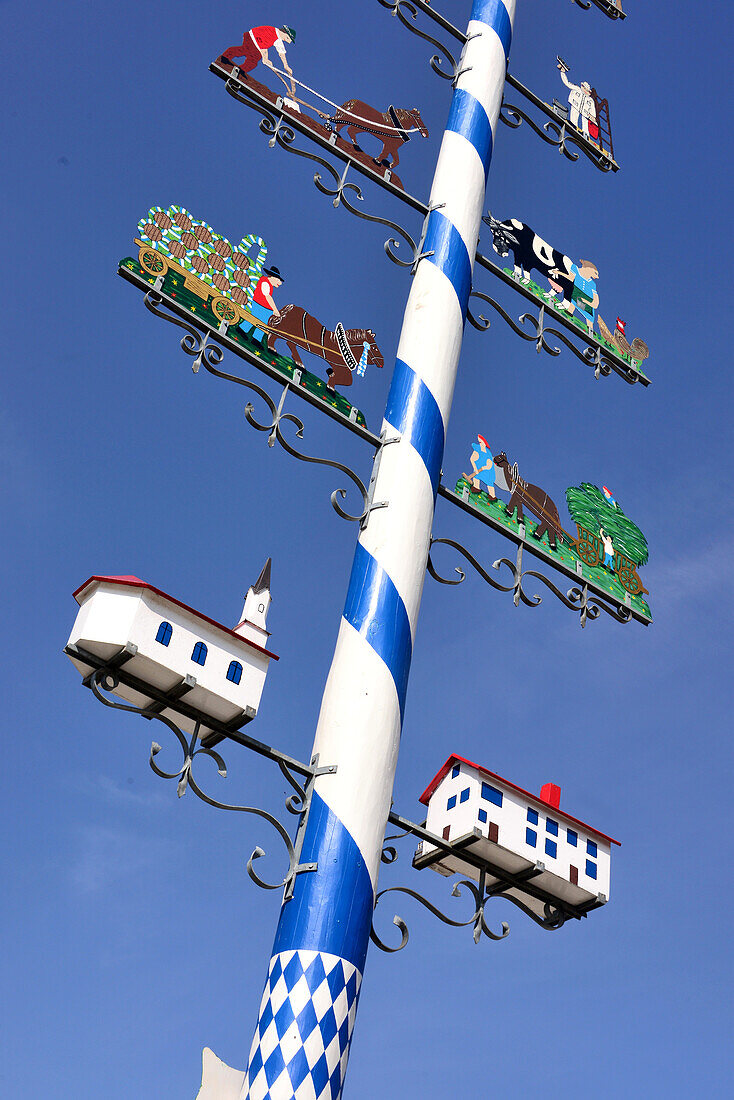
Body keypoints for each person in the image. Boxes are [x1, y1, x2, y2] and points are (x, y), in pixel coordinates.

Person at [222, 25, 296, 78]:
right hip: (252, 38)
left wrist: (286, 66)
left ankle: (240, 71)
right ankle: (225, 57)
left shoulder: (278, 38)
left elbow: (281, 52)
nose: (287, 41)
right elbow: (263, 45)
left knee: (252, 60)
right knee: (245, 51)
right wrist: (265, 58)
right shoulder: (272, 31)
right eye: (288, 38)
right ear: (285, 33)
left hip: (257, 44)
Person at [246, 266, 284, 347]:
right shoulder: (265, 282)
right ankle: (254, 338)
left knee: (259, 320)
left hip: (264, 307)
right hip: (260, 305)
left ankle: (247, 332)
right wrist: (275, 310)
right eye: (278, 280)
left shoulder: (269, 284)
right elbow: (267, 297)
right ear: (272, 277)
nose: (279, 283)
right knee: (261, 322)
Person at [558, 62, 597, 139]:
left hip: (585, 112)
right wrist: (562, 72)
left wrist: (593, 117)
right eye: (585, 88)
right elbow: (567, 83)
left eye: (587, 90)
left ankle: (586, 135)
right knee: (574, 117)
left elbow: (592, 110)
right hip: (575, 105)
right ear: (582, 86)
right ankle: (573, 126)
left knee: (585, 122)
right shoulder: (577, 89)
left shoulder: (590, 100)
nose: (585, 91)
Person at [465, 435, 497, 501]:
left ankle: (492, 496)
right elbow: (472, 459)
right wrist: (476, 469)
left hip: (488, 470)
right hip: (479, 468)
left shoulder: (488, 452)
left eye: (481, 442)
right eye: (479, 442)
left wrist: (487, 466)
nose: (480, 443)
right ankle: (476, 488)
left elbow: (490, 462)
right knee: (476, 477)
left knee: (489, 482)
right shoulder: (477, 449)